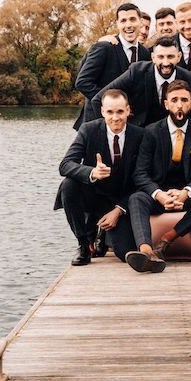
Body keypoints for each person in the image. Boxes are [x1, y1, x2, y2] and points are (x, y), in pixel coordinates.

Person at [123, 80, 191, 273]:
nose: (179, 104)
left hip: (188, 197)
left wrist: (186, 192)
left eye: (184, 100)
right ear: (166, 104)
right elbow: (140, 173)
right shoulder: (150, 132)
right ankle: (146, 251)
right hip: (160, 195)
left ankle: (168, 239)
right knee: (136, 198)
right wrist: (159, 195)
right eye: (174, 100)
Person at [56, 89, 144, 265]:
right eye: (110, 112)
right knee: (69, 185)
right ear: (102, 111)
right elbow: (65, 165)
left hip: (120, 201)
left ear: (128, 110)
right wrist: (91, 172)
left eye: (120, 111)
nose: (115, 117)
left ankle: (102, 235)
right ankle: (83, 244)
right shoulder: (88, 130)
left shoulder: (141, 135)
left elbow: (143, 180)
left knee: (124, 251)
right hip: (93, 195)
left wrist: (119, 210)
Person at [89, 37, 191, 127]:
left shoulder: (190, 78)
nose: (165, 62)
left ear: (178, 57)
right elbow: (98, 99)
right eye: (160, 57)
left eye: (170, 57)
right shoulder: (136, 72)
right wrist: (110, 131)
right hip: (140, 133)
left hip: (174, 136)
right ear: (153, 57)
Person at [73, 3, 150, 130]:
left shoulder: (144, 53)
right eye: (123, 21)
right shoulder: (104, 47)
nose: (128, 25)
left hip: (129, 127)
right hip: (96, 124)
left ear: (140, 22)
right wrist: (111, 105)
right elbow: (82, 82)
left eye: (132, 19)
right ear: (117, 24)